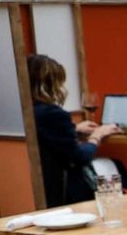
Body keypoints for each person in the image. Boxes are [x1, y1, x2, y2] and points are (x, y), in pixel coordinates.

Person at [29, 54, 121, 206]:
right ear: (49, 84)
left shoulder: (25, 111)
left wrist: (74, 128)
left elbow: (41, 132)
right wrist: (96, 136)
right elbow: (78, 158)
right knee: (114, 166)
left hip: (32, 186)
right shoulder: (52, 114)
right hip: (61, 192)